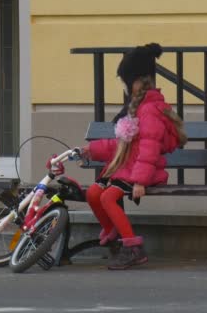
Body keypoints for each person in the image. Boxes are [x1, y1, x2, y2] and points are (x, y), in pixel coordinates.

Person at [80, 43, 188, 270]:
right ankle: (113, 230)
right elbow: (121, 144)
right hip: (127, 167)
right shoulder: (135, 108)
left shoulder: (150, 110)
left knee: (108, 197)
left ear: (138, 81)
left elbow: (148, 148)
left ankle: (132, 248)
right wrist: (94, 149)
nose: (126, 88)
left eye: (128, 83)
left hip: (144, 172)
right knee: (93, 192)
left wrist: (140, 181)